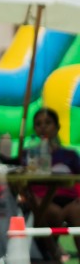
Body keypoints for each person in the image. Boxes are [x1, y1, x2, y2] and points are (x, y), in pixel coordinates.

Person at [25, 108, 80, 255]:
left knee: (77, 212)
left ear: (57, 127)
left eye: (48, 123)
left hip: (70, 201)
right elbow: (26, 181)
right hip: (43, 201)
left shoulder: (70, 155)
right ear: (35, 129)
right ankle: (51, 252)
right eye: (38, 124)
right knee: (52, 212)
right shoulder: (30, 154)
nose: (43, 127)